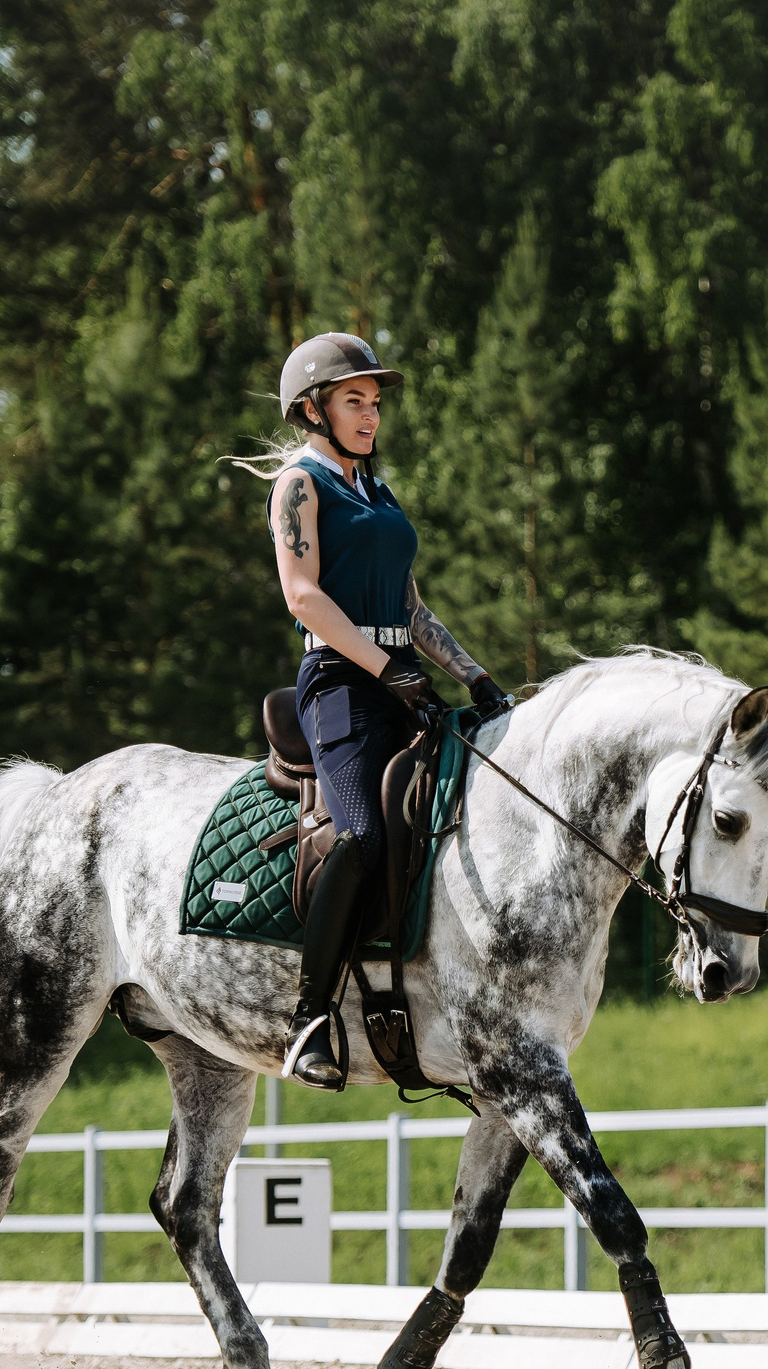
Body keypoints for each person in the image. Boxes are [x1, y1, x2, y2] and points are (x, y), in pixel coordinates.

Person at [238, 332, 508, 1090]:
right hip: (340, 688)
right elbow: (304, 597)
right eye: (354, 400)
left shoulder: (377, 493)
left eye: (375, 402)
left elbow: (409, 605)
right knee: (358, 835)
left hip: (403, 681)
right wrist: (387, 667)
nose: (370, 414)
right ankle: (311, 1016)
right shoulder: (300, 485)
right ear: (313, 409)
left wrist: (474, 675)